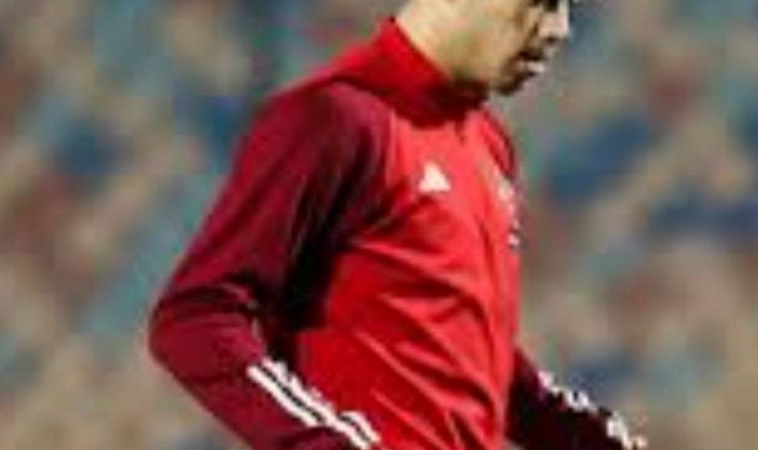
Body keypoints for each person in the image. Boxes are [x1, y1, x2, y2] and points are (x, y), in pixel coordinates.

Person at [148, 0, 648, 449]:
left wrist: (577, 432)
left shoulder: (489, 144)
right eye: (542, 2)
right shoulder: (334, 119)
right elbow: (194, 316)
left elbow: (459, 346)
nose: (560, 28)